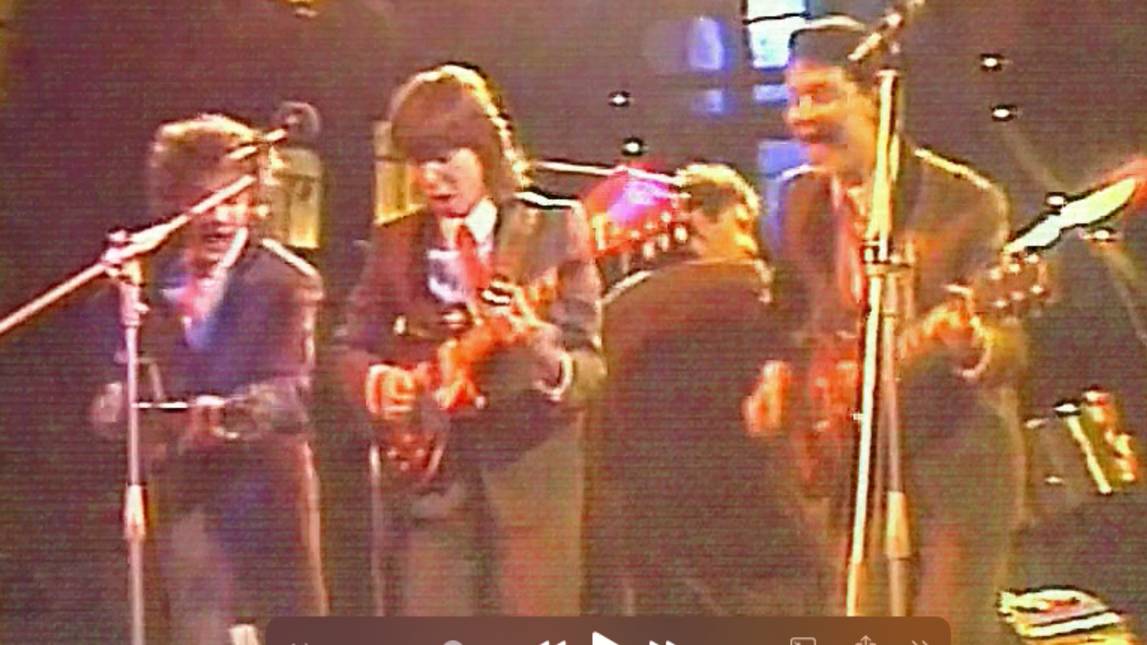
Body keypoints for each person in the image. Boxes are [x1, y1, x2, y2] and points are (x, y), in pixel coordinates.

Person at [759, 16, 1028, 643]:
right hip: (851, 468)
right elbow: (785, 309)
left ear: (876, 98)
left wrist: (971, 343)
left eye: (821, 95)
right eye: (793, 100)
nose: (801, 117)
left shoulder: (965, 202)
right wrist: (777, 374)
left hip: (954, 464)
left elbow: (1009, 346)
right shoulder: (796, 201)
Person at [334, 64, 605, 615]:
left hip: (531, 489)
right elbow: (349, 344)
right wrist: (378, 381)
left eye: (444, 158)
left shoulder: (553, 227)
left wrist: (536, 344)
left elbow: (589, 365)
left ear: (485, 151)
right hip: (430, 486)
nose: (430, 178)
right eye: (418, 163)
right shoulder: (394, 242)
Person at [89, 113, 328, 643]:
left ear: (254, 201)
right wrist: (119, 304)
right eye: (203, 200)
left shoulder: (287, 282)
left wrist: (221, 418)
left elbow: (291, 392)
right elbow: (112, 384)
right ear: (176, 203)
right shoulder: (146, 281)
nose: (219, 217)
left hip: (264, 501)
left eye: (233, 200)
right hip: (183, 500)